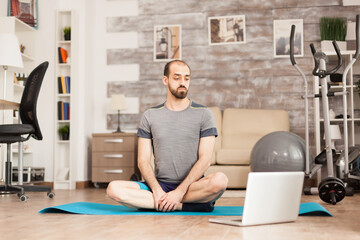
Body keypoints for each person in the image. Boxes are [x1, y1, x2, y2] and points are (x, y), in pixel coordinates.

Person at [106, 60, 228, 212]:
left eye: (187, 78)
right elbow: (142, 161)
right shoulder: (150, 115)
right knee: (113, 189)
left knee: (220, 181)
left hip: (192, 185)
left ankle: (162, 203)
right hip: (159, 185)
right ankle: (182, 205)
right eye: (177, 78)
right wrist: (157, 190)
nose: (182, 82)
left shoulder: (204, 113)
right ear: (165, 80)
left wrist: (179, 192)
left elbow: (205, 160)